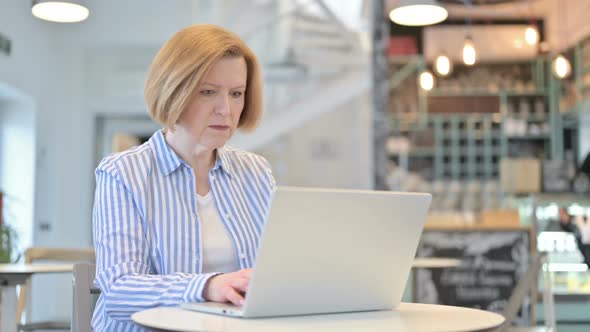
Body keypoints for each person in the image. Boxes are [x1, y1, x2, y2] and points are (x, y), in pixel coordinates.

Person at [91, 24, 276, 331]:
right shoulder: (122, 173)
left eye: (236, 94)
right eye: (208, 92)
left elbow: (274, 271)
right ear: (173, 89)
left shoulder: (256, 172)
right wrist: (207, 286)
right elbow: (120, 292)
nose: (226, 110)